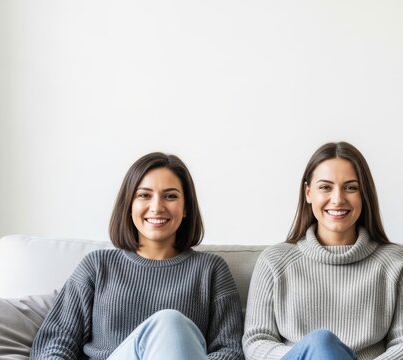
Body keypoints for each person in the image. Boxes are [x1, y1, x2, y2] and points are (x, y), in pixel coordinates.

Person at [31, 152, 244, 360]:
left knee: (172, 323)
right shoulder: (97, 266)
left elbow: (230, 350)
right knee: (170, 321)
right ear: (129, 205)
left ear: (186, 207)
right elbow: (56, 341)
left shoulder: (211, 270)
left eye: (170, 196)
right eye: (144, 195)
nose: (157, 207)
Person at [242, 142, 403, 360]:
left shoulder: (395, 263)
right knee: (321, 344)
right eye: (325, 187)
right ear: (308, 193)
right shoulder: (274, 261)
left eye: (351, 187)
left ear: (364, 195)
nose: (338, 199)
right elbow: (256, 341)